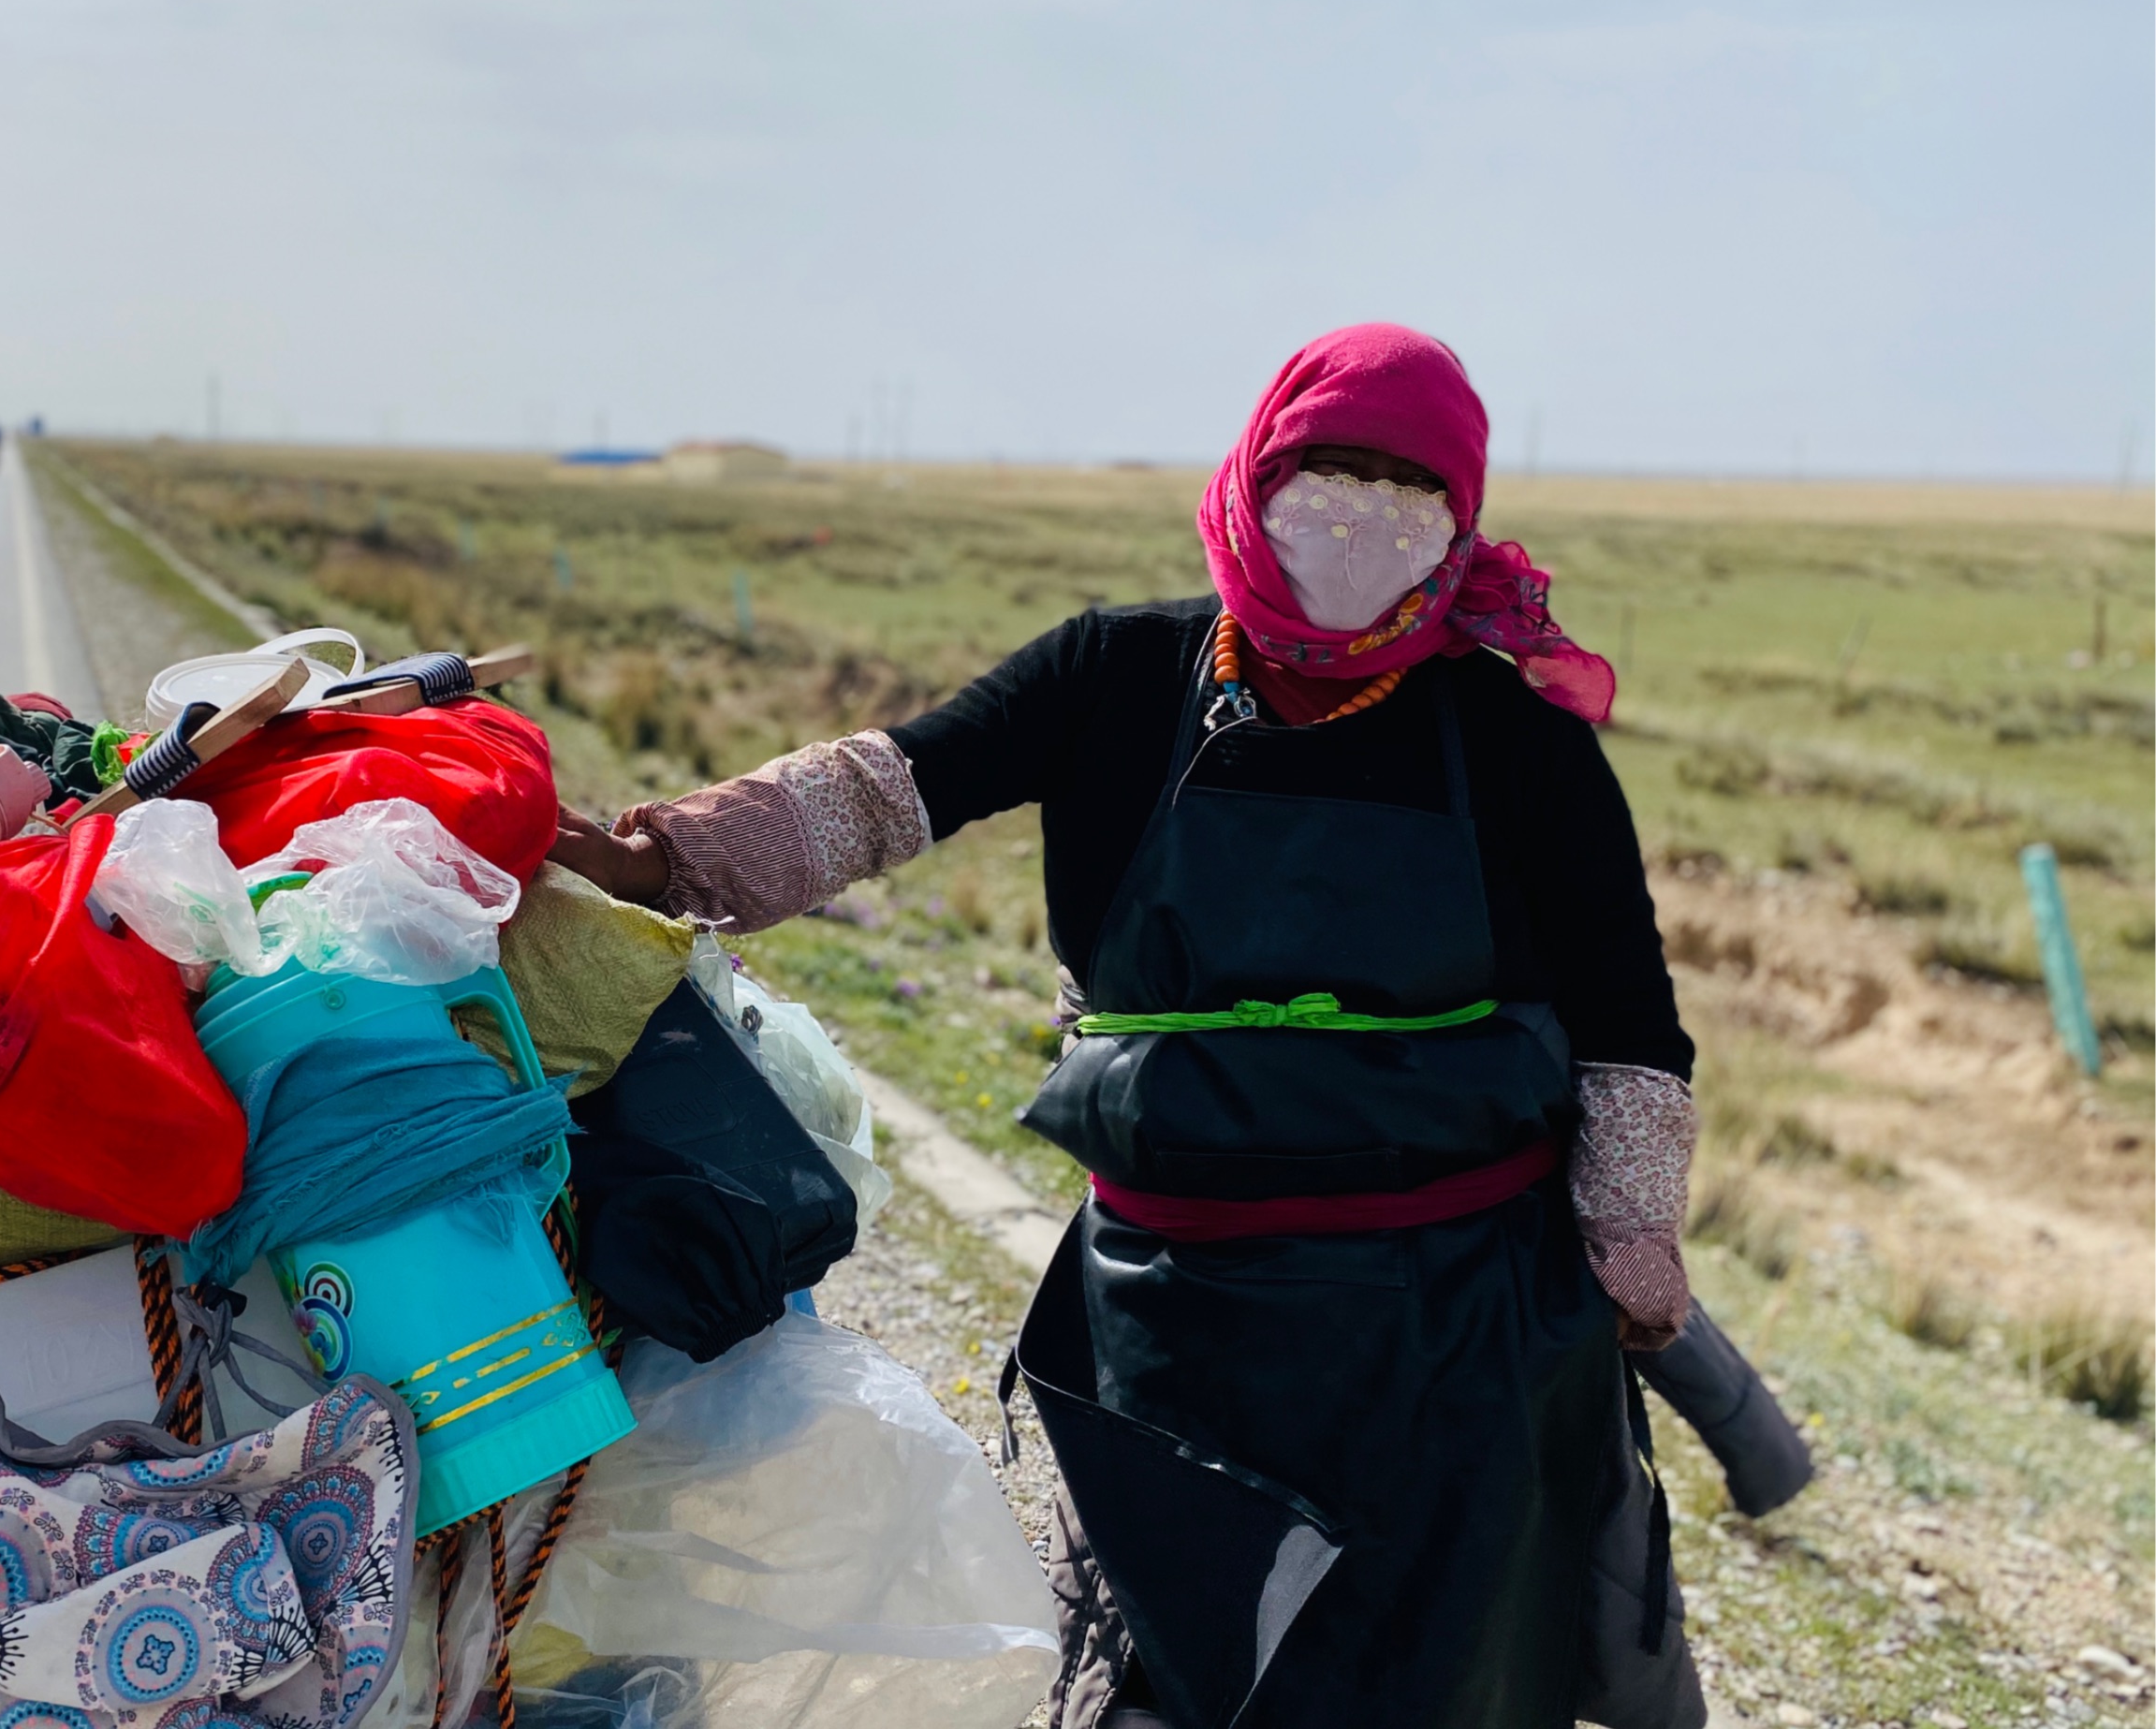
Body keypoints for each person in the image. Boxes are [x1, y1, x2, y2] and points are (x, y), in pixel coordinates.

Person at [550, 325, 1709, 1727]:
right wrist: (661, 861)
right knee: (1174, 1662)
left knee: (1427, 1673)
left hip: (1446, 1331)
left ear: (1458, 522)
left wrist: (1630, 1238)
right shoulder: (1119, 674)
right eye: (1323, 476)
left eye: (1405, 494)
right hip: (1174, 1313)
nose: (1357, 520)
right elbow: (888, 790)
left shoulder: (1512, 740)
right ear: (1256, 470)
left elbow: (1627, 1024)